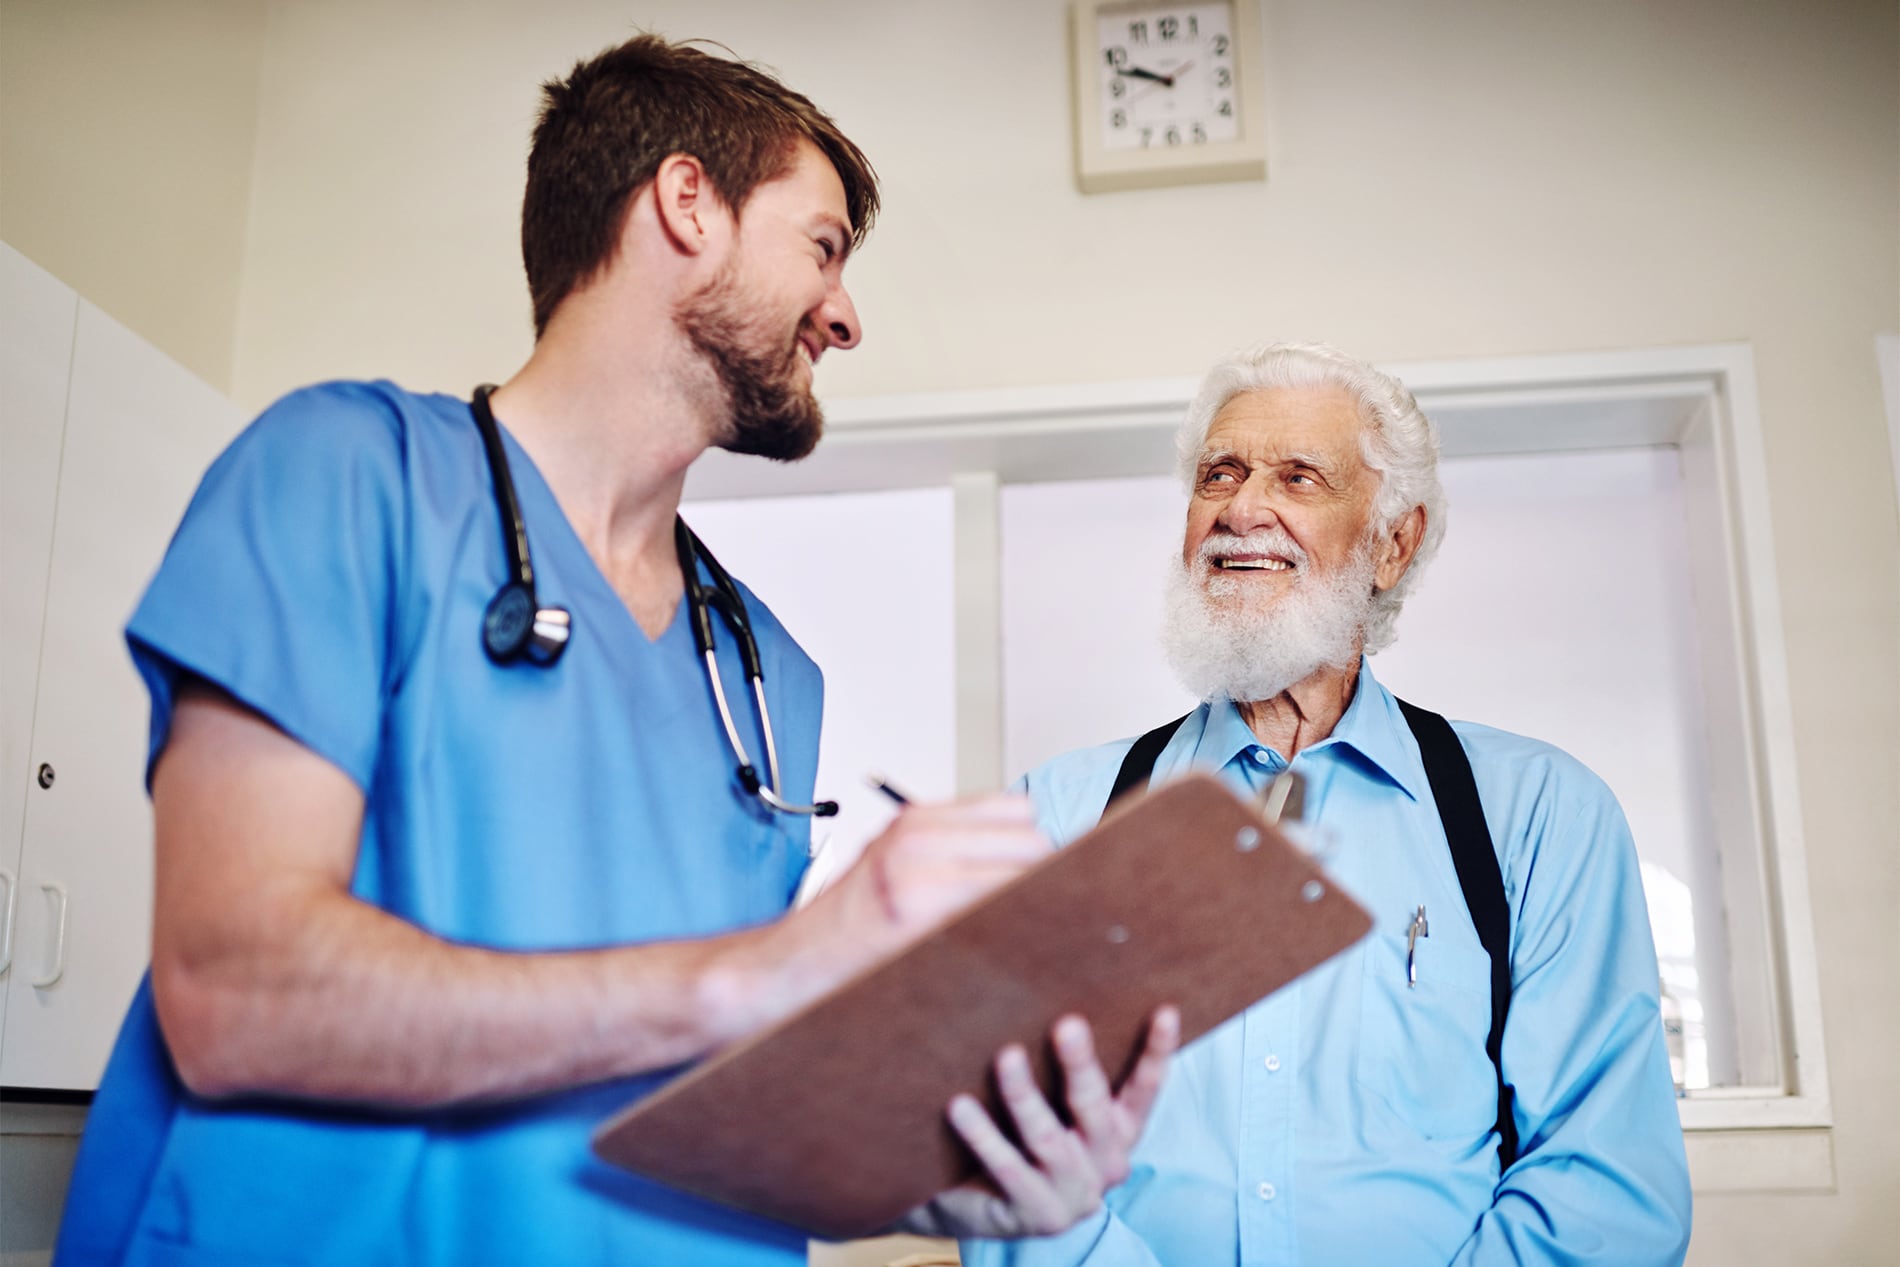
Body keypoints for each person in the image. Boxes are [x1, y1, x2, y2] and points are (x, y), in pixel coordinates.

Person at [54, 34, 1177, 1266]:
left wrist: (946, 1190)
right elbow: (236, 991)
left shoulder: (759, 671)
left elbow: (699, 1104)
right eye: (822, 247)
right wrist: (769, 968)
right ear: (686, 203)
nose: (846, 317)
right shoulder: (345, 473)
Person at [962, 342, 1693, 1267]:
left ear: (1392, 543)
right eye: (1217, 474)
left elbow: (1608, 1185)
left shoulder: (1539, 814)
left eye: (1298, 477)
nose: (1239, 507)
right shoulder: (1058, 815)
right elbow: (1005, 1149)